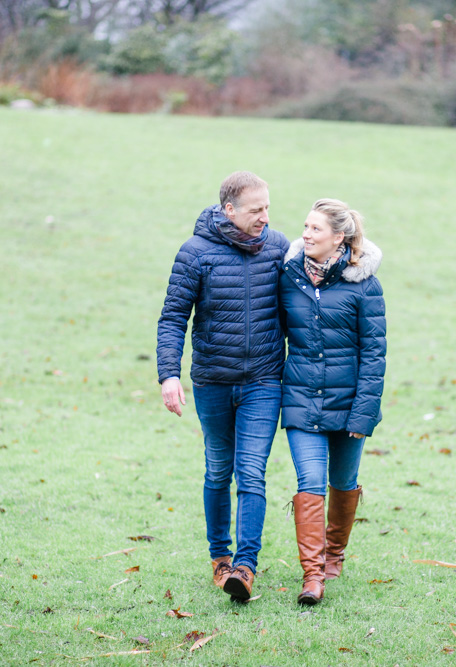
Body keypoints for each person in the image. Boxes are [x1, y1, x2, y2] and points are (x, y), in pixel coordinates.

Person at [156, 171, 290, 602]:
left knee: (251, 472)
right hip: (213, 381)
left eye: (268, 207)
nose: (265, 217)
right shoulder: (195, 254)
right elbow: (173, 316)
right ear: (228, 210)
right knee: (218, 469)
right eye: (256, 210)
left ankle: (245, 568)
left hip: (264, 382)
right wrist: (168, 374)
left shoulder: (279, 249)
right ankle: (220, 558)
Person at [279, 198, 386, 605]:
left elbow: (375, 356)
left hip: (350, 404)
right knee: (309, 484)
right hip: (302, 401)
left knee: (342, 483)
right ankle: (313, 575)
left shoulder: (364, 285)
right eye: (304, 227)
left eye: (315, 229)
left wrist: (364, 412)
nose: (305, 235)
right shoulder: (288, 277)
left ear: (338, 237)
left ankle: (335, 553)